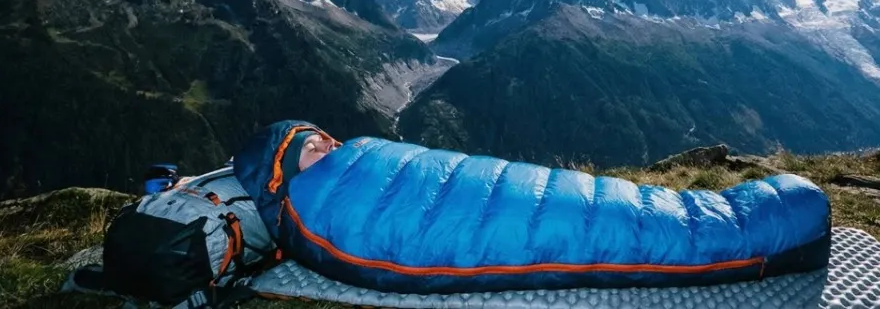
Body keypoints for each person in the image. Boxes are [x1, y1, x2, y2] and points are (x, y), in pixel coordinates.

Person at [232, 120, 831, 295]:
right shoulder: (315, 204)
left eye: (325, 136)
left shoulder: (351, 160)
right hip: (425, 206)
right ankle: (777, 229)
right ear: (279, 177)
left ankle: (766, 218)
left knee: (601, 203)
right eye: (311, 146)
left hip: (446, 183)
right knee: (590, 225)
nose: (330, 144)